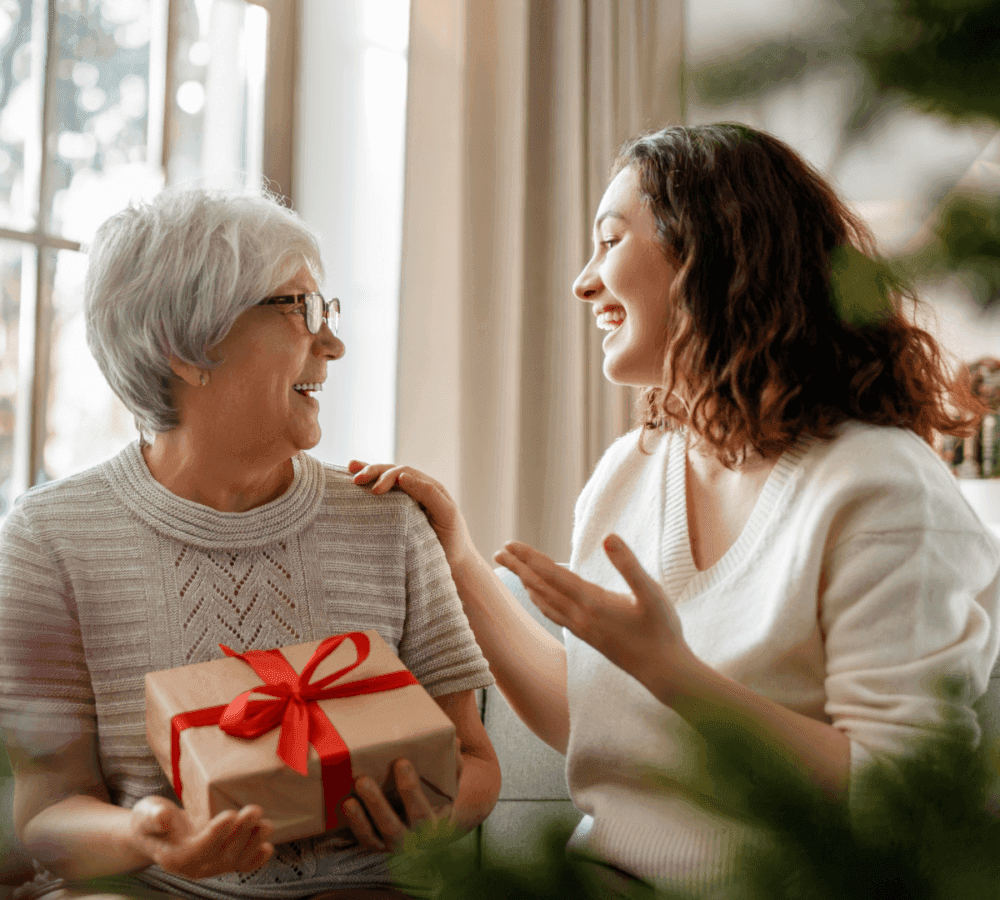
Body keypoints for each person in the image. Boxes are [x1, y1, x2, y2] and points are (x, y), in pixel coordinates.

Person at [350, 123, 1000, 896]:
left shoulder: (880, 486)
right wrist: (453, 556)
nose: (582, 283)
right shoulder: (632, 471)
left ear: (710, 256)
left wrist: (675, 673)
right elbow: (593, 722)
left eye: (611, 240)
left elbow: (903, 805)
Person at [0, 188, 500, 900]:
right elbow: (47, 811)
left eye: (327, 312)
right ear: (188, 346)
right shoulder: (49, 536)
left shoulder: (389, 520)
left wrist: (435, 817)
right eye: (300, 309)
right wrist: (145, 835)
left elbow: (476, 760)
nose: (333, 343)